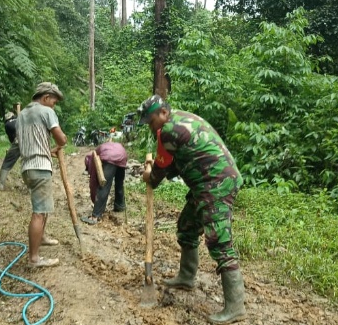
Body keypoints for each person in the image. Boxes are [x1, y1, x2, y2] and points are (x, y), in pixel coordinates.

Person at [138, 94, 246, 324]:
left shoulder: (168, 131)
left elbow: (159, 173)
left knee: (219, 242)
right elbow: (177, 162)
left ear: (163, 114)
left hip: (216, 184)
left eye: (151, 121)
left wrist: (149, 175)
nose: (150, 127)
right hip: (207, 184)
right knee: (187, 226)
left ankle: (236, 307)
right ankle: (187, 277)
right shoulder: (182, 119)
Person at [17, 82, 67, 268]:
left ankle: (42, 237)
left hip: (27, 167)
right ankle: (34, 259)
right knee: (39, 212)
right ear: (46, 98)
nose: (54, 105)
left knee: (43, 207)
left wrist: (48, 150)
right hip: (40, 167)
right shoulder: (46, 112)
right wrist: (63, 140)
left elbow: (32, 139)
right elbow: (61, 138)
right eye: (53, 101)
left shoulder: (22, 115)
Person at [81, 142, 128, 225]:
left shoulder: (92, 158)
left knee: (103, 185)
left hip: (110, 157)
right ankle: (119, 206)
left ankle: (95, 216)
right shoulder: (103, 148)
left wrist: (94, 197)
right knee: (119, 183)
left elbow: (94, 181)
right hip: (122, 154)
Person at [0, 111, 20, 191]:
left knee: (7, 163)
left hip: (18, 141)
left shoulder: (7, 125)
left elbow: (11, 139)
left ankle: (0, 184)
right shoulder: (19, 119)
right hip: (30, 141)